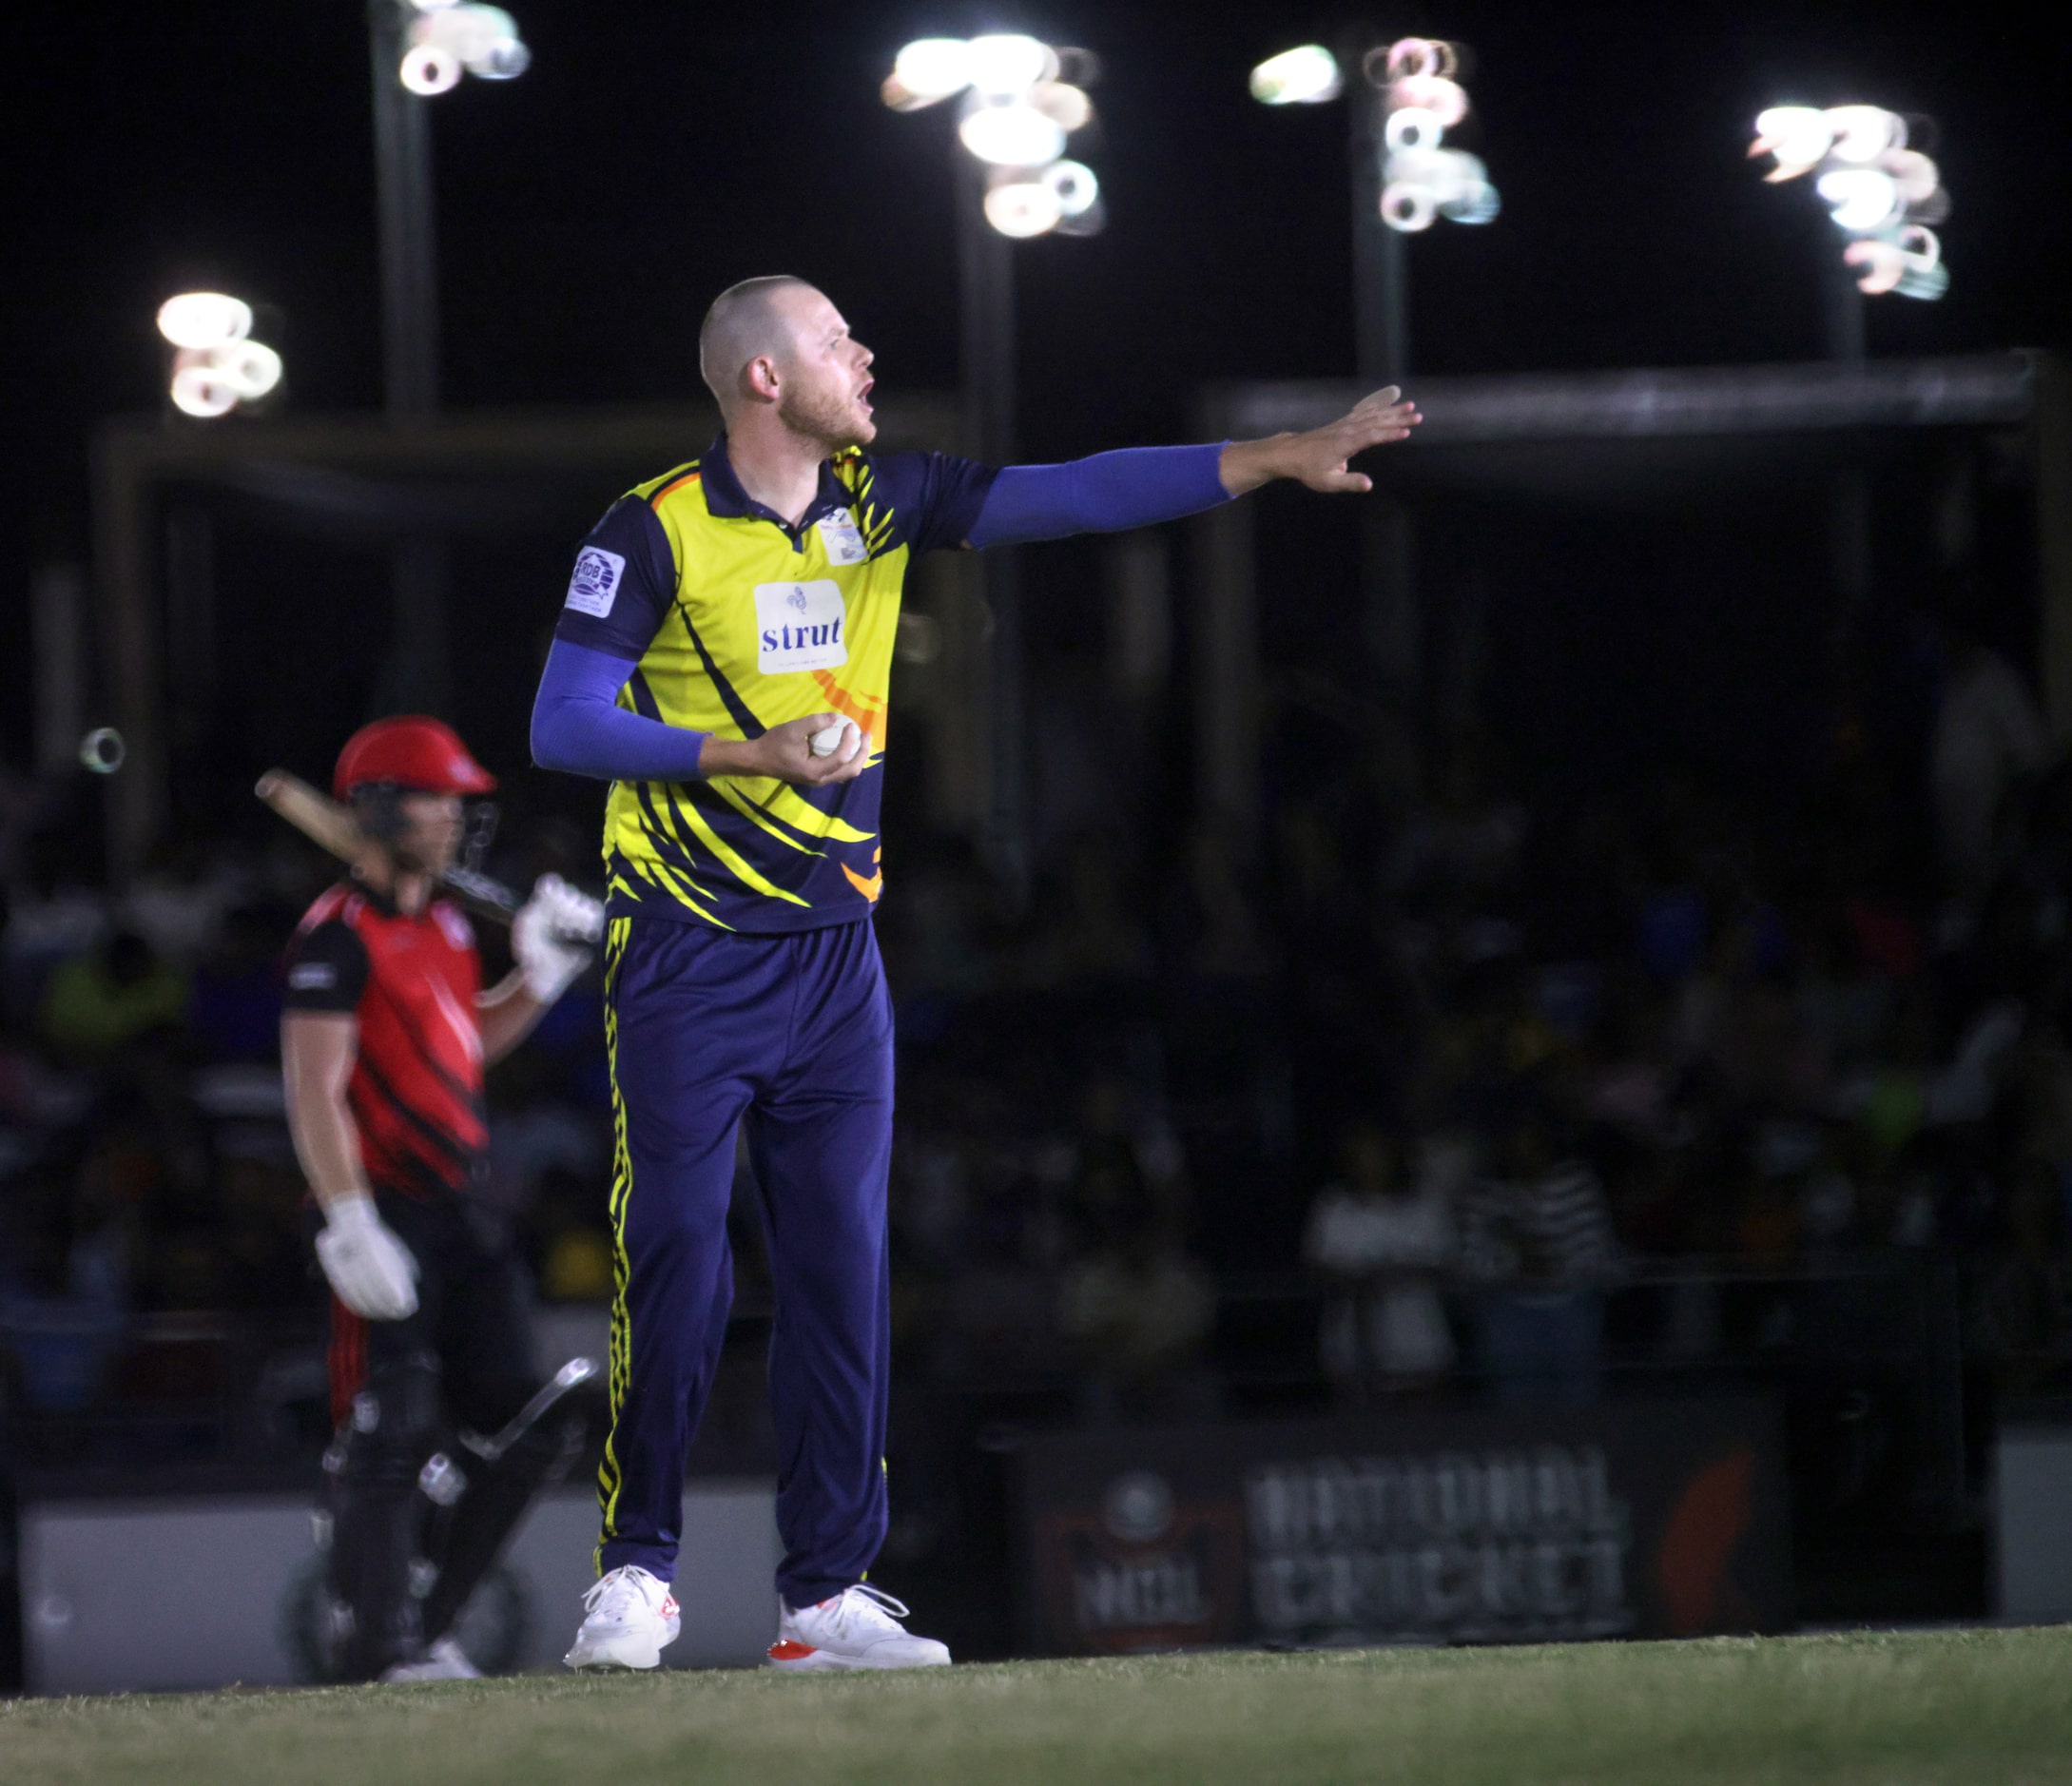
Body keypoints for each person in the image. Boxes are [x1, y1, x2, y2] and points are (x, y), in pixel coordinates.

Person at [531, 275, 1421, 1673]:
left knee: (842, 1272)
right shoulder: (649, 528)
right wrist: (746, 754)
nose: (865, 354)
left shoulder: (877, 502)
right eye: (836, 340)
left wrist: (1271, 459)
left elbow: (1067, 494)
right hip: (685, 955)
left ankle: (823, 1595)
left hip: (835, 960)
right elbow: (563, 721)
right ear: (762, 376)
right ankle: (637, 1574)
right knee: (679, 1259)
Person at [281, 716, 604, 1682]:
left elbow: (464, 1046)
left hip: (465, 1212)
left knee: (537, 1419)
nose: (458, 817)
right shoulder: (335, 939)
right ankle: (376, 1644)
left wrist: (539, 977)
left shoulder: (448, 926)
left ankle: (424, 1630)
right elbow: (313, 1090)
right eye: (439, 800)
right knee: (396, 1421)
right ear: (380, 809)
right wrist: (347, 1221)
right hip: (384, 1207)